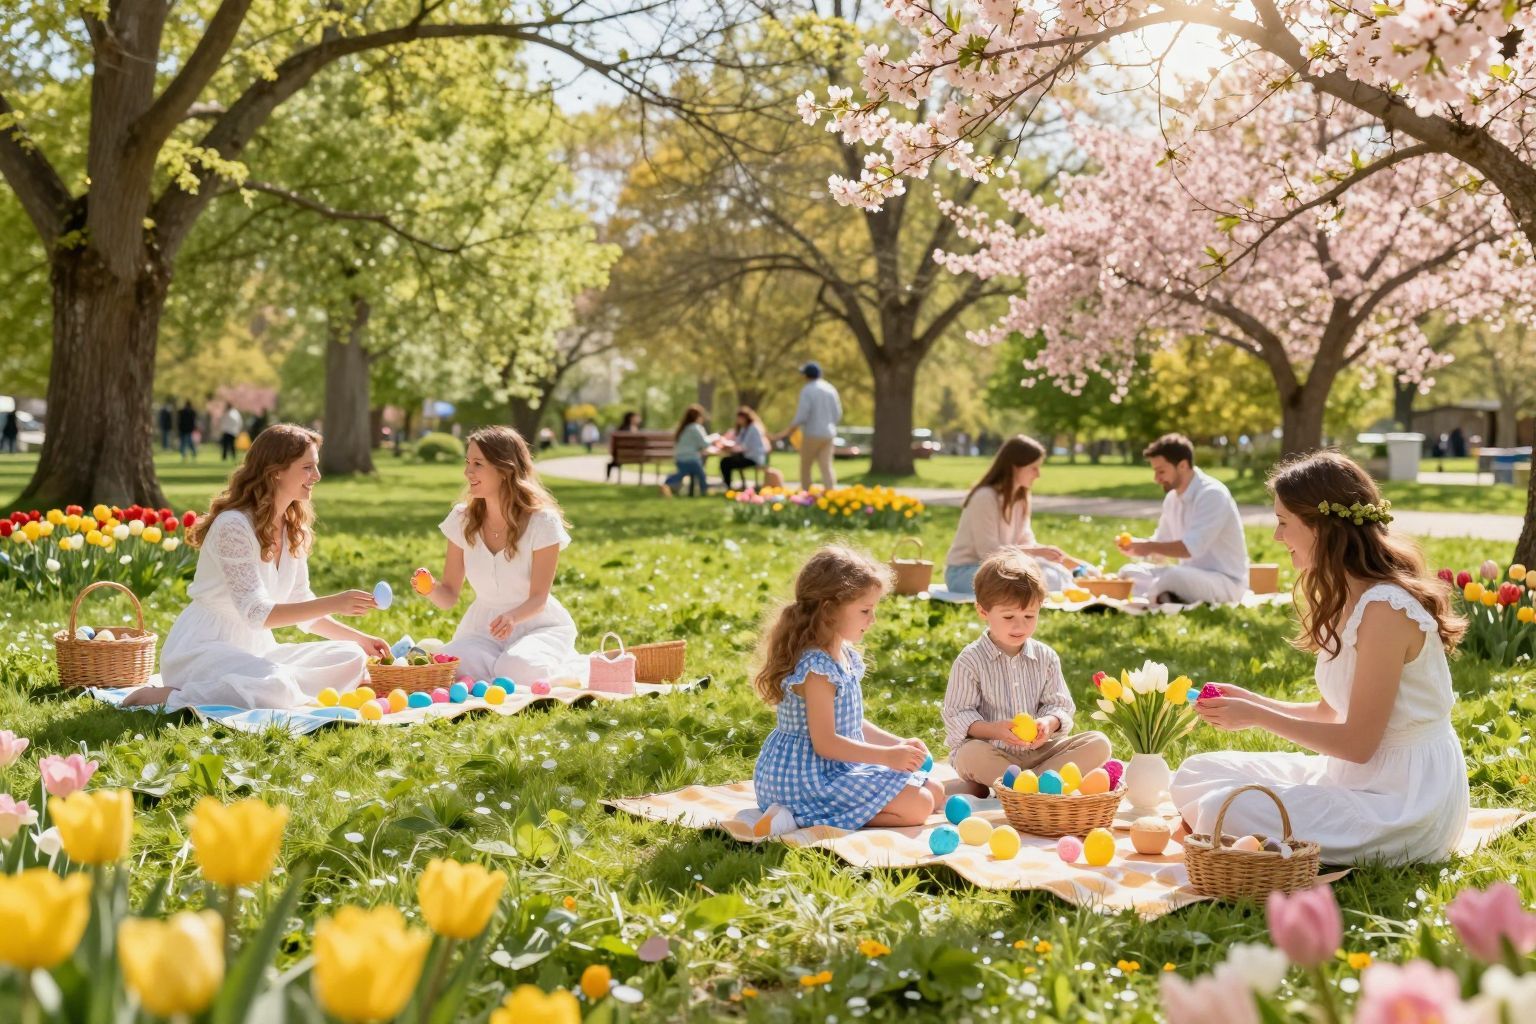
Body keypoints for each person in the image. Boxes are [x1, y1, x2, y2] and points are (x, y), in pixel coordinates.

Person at [1171, 451, 1469, 865]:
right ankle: (1227, 829)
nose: (1277, 537)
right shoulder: (1349, 594)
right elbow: (1331, 713)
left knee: (1225, 807)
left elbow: (1358, 744)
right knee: (1195, 773)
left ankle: (1224, 830)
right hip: (1351, 777)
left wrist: (1258, 718)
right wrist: (1252, 701)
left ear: (1321, 528)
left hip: (1403, 802)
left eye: (1283, 523)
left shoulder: (1385, 609)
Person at [125, 425, 388, 710]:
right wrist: (336, 602)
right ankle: (167, 696)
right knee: (277, 688)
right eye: (307, 467)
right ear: (276, 471)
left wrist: (361, 639)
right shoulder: (233, 526)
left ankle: (271, 688)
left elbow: (301, 606)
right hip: (203, 648)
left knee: (350, 655)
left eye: (316, 467)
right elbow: (257, 614)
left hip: (257, 650)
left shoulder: (294, 529)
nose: (317, 476)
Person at [751, 546, 944, 837]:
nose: (873, 619)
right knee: (919, 806)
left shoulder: (844, 654)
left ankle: (825, 813)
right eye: (865, 610)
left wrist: (897, 743)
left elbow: (851, 724)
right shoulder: (817, 668)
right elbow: (825, 743)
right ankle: (802, 817)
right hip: (805, 777)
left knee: (935, 791)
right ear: (829, 611)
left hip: (835, 767)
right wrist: (888, 757)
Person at [417, 426, 580, 683]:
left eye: (478, 463)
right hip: (484, 629)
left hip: (537, 624)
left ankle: (563, 669)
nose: (468, 471)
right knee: (448, 668)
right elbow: (448, 596)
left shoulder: (541, 522)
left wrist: (512, 617)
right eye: (467, 462)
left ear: (505, 470)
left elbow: (539, 598)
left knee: (517, 668)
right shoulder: (462, 519)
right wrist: (429, 589)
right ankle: (501, 669)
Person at [942, 549, 1112, 794]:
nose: (1019, 625)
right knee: (970, 754)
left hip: (1041, 754)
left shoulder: (1046, 657)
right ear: (983, 611)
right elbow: (957, 714)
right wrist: (995, 730)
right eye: (1009, 616)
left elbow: (1060, 705)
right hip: (993, 752)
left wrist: (1048, 723)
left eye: (1029, 615)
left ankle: (1022, 786)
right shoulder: (971, 660)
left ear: (1040, 608)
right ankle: (1038, 786)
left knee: (1098, 743)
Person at [945, 435, 1089, 594]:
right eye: (1033, 468)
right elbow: (988, 554)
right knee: (1031, 582)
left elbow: (1026, 542)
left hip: (1005, 568)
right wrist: (1036, 552)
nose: (1038, 474)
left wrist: (1054, 557)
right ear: (1015, 467)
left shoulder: (1021, 498)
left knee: (1054, 575)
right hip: (968, 572)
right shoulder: (984, 497)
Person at [1117, 433, 1248, 605]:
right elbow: (1161, 543)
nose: (1156, 479)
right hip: (1189, 575)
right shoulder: (1172, 499)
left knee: (1173, 577)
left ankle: (1156, 598)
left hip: (1224, 582)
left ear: (1183, 466)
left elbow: (1189, 548)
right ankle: (1164, 596)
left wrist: (1148, 547)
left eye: (1161, 471)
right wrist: (1136, 547)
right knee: (1128, 572)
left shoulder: (1212, 494)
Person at [772, 362, 842, 490]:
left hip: (812, 433)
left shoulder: (807, 390)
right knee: (826, 466)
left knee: (806, 467)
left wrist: (788, 431)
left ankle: (806, 496)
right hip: (829, 433)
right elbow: (837, 414)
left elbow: (802, 415)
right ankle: (830, 493)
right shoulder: (830, 389)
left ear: (806, 375)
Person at [659, 404, 711, 498]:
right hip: (690, 458)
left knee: (682, 473)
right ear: (698, 417)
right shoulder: (696, 427)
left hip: (679, 458)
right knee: (701, 475)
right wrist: (715, 438)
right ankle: (705, 492)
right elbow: (704, 443)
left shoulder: (683, 427)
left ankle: (669, 484)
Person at [718, 406, 769, 490]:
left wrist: (731, 448)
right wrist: (729, 446)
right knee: (726, 461)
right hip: (746, 455)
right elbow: (738, 443)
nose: (738, 420)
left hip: (753, 458)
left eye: (740, 418)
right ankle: (729, 485)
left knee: (725, 462)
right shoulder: (744, 429)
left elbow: (745, 446)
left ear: (745, 418)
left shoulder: (753, 428)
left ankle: (729, 486)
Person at [605, 411, 642, 482]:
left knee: (611, 463)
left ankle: (608, 478)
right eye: (637, 417)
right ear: (631, 418)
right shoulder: (634, 429)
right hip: (636, 455)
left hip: (621, 455)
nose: (639, 419)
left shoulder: (620, 429)